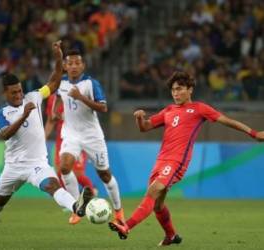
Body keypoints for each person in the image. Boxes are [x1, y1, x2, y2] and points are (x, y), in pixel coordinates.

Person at [108, 71, 264, 246]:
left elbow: (227, 121)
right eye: (173, 90)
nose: (175, 93)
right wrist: (139, 119)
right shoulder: (168, 110)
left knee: (152, 191)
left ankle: (126, 226)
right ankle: (171, 236)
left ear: (190, 90)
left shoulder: (199, 108)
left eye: (179, 89)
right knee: (158, 205)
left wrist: (253, 133)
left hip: (176, 162)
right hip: (160, 161)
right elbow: (145, 127)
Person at [0, 41, 94, 243]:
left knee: (53, 186)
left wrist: (58, 57)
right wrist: (23, 116)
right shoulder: (2, 113)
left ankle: (77, 207)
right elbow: (4, 134)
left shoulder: (34, 97)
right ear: (5, 93)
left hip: (37, 164)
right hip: (13, 167)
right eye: (14, 92)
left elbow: (55, 81)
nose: (19, 95)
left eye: (20, 90)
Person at [55, 49, 124, 224]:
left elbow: (103, 108)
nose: (73, 66)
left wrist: (80, 97)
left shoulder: (91, 84)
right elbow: (57, 98)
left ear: (83, 65)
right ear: (65, 66)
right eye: (70, 63)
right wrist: (56, 111)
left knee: (105, 175)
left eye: (77, 63)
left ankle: (118, 211)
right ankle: (78, 207)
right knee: (64, 167)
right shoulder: (61, 83)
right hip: (71, 133)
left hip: (92, 136)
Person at [44, 93, 96, 224]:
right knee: (61, 172)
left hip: (78, 140)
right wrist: (42, 138)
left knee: (77, 174)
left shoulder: (79, 92)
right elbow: (51, 120)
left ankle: (91, 195)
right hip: (61, 141)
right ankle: (74, 204)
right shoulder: (53, 98)